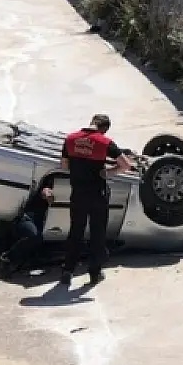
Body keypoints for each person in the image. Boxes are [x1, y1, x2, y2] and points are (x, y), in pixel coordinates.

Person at [59, 114, 133, 285]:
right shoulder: (105, 142)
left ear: (91, 122)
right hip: (97, 194)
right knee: (97, 234)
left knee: (75, 231)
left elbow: (64, 165)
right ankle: (94, 274)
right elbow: (126, 165)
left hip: (78, 193)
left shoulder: (70, 139)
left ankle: (67, 271)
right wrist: (109, 172)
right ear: (105, 129)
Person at [0, 184, 55, 279]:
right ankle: (6, 258)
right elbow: (45, 191)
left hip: (34, 221)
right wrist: (47, 194)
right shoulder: (40, 189)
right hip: (25, 219)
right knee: (34, 236)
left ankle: (20, 264)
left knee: (38, 240)